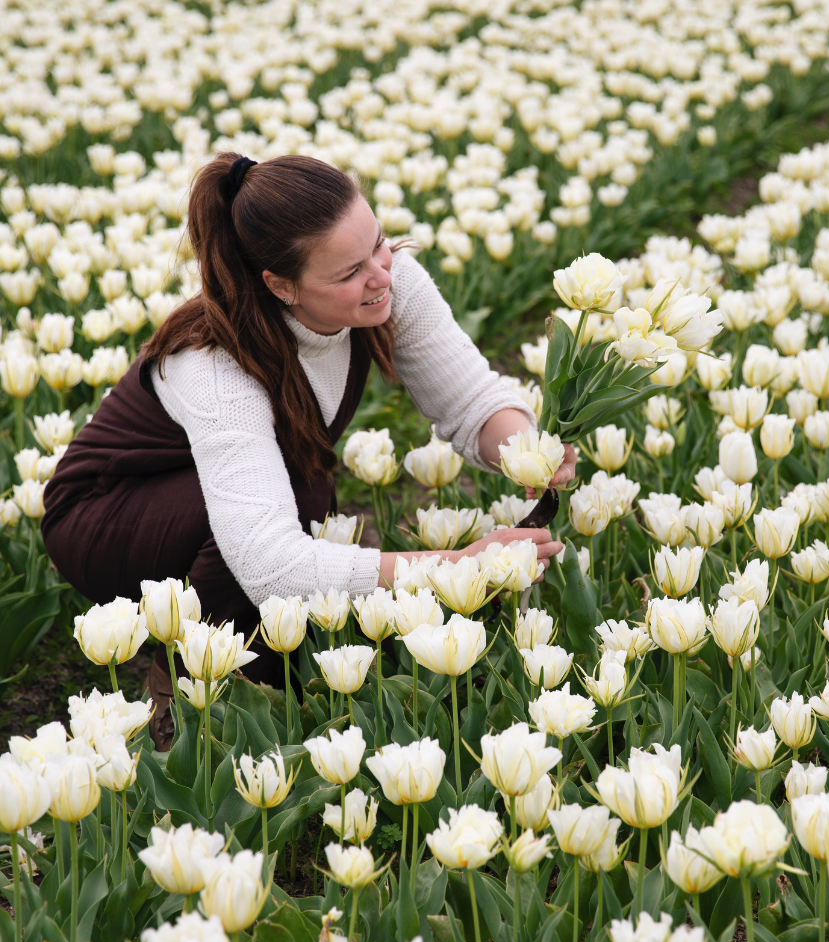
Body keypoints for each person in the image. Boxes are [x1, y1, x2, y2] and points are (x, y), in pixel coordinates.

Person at [42, 153, 573, 749]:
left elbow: (472, 398)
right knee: (297, 498)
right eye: (349, 272)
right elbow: (272, 565)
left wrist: (526, 452)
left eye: (378, 245)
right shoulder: (216, 364)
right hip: (106, 520)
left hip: (211, 496)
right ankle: (193, 696)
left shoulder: (389, 286)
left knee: (303, 492)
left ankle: (259, 690)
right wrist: (456, 567)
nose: (380, 274)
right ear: (281, 285)